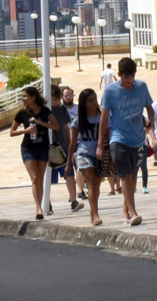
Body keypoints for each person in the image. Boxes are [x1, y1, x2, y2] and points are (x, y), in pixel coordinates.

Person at [97, 57, 154, 226]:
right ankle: (134, 212)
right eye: (125, 78)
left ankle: (124, 211)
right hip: (118, 139)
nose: (129, 81)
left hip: (137, 140)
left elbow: (150, 108)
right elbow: (104, 118)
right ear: (119, 75)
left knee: (132, 179)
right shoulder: (110, 92)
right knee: (125, 175)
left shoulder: (142, 87)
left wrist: (150, 123)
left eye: (132, 77)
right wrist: (100, 144)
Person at [11, 85, 59, 220]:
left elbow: (56, 126)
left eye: (25, 96)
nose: (23, 99)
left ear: (33, 97)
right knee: (35, 178)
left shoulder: (44, 111)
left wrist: (40, 123)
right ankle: (38, 208)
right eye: (22, 97)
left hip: (42, 148)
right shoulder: (22, 113)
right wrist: (25, 131)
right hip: (28, 148)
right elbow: (12, 132)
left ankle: (41, 206)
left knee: (40, 178)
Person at [67, 88, 104, 226]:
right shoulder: (78, 121)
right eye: (90, 100)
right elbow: (73, 143)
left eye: (95, 99)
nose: (94, 103)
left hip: (99, 155)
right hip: (83, 153)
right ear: (84, 103)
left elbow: (108, 136)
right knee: (92, 182)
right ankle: (95, 214)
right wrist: (68, 163)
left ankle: (93, 211)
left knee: (96, 185)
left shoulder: (102, 118)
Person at [50, 86, 82, 213]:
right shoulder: (44, 110)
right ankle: (47, 203)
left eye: (58, 99)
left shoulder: (62, 108)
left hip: (62, 146)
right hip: (49, 148)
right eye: (54, 99)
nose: (57, 102)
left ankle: (73, 200)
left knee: (69, 174)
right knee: (47, 178)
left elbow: (66, 127)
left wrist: (69, 144)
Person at [62, 87, 86, 200]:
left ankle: (80, 190)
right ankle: (72, 193)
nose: (68, 97)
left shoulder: (78, 109)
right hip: (65, 143)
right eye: (66, 95)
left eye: (70, 95)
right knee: (68, 168)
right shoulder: (60, 110)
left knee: (80, 166)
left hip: (78, 141)